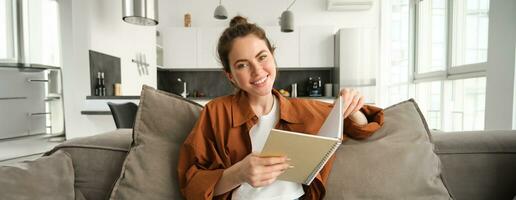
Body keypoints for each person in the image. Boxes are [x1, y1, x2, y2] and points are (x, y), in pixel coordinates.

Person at [177, 16, 384, 200]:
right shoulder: (216, 112)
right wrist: (238, 173)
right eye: (242, 65)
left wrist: (352, 105)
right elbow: (191, 184)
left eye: (262, 57)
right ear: (230, 75)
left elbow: (361, 126)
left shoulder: (305, 110)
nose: (257, 71)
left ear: (273, 56)